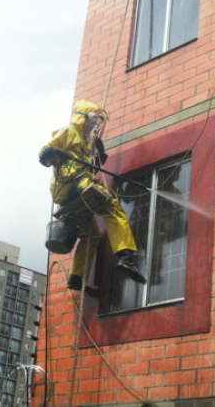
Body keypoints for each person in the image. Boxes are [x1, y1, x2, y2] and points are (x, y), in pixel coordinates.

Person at [39, 99, 147, 290]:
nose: (97, 120)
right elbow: (45, 151)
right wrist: (52, 154)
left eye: (99, 117)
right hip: (73, 183)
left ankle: (76, 277)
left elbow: (96, 164)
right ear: (83, 116)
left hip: (75, 192)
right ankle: (126, 256)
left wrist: (98, 150)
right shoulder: (68, 132)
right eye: (94, 116)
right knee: (113, 208)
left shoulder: (89, 141)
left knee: (91, 234)